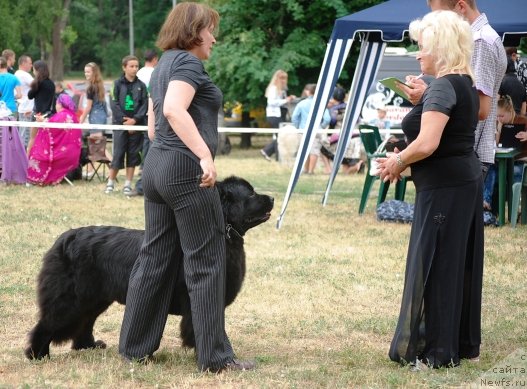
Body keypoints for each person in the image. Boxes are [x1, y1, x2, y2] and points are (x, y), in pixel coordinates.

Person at [118, 2, 255, 373]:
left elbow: (153, 121)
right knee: (207, 260)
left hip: (158, 165)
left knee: (154, 256)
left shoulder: (162, 64)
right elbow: (175, 110)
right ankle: (214, 358)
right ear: (194, 31)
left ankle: (133, 347)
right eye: (210, 29)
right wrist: (204, 156)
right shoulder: (188, 63)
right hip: (184, 169)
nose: (214, 37)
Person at [378, 10, 484, 369]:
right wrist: (425, 96)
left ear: (439, 47)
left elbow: (427, 143)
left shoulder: (443, 86)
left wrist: (398, 161)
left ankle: (438, 350)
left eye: (422, 47)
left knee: (437, 264)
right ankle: (457, 341)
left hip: (445, 186)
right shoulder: (462, 82)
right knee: (455, 262)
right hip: (460, 180)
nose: (418, 55)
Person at [401, 0, 507, 181]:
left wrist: (430, 96)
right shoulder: (480, 38)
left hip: (466, 155)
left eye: (441, 17)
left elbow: (480, 109)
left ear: (461, 7)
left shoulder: (480, 41)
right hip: (463, 156)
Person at [106, 55, 147, 195]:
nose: (135, 69)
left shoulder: (141, 85)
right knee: (118, 154)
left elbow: (144, 105)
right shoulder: (116, 84)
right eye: (132, 66)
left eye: (137, 66)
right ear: (124, 67)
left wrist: (134, 120)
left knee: (133, 155)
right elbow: (113, 103)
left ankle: (128, 184)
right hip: (120, 125)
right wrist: (125, 122)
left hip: (136, 126)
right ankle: (110, 183)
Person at [27, 94, 82, 185]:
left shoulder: (61, 115)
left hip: (61, 154)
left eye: (56, 104)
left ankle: (39, 178)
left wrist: (41, 121)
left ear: (60, 104)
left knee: (37, 154)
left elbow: (49, 128)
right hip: (73, 153)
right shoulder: (72, 116)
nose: (55, 106)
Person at [483, 95, 527, 210]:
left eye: (501, 116)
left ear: (510, 111)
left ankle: (515, 207)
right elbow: (497, 145)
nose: (499, 118)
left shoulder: (522, 121)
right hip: (504, 161)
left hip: (520, 161)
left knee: (515, 172)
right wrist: (498, 129)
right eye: (497, 116)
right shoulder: (499, 123)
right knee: (490, 168)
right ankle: (486, 202)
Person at [131, 49, 159, 197]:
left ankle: (142, 169)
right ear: (154, 59)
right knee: (150, 146)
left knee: (144, 146)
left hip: (139, 114)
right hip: (149, 114)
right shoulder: (155, 73)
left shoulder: (139, 72)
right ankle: (144, 178)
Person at [291, 83, 330, 174]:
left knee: (305, 150)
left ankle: (306, 169)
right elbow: (327, 118)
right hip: (316, 130)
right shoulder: (321, 103)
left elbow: (294, 117)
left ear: (309, 93)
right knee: (314, 150)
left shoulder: (302, 103)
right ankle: (311, 171)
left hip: (303, 130)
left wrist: (298, 127)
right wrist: (322, 126)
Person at [260, 69, 295, 161]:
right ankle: (269, 152)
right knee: (281, 136)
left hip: (280, 115)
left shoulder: (282, 90)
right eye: (282, 78)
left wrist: (288, 99)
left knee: (280, 136)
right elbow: (271, 102)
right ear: (277, 78)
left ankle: (268, 152)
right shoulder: (273, 89)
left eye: (285, 78)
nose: (284, 80)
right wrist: (285, 100)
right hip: (274, 115)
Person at [27, 60, 55, 154]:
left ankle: (28, 159)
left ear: (37, 70)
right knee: (46, 139)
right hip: (48, 114)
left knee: (33, 138)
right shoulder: (51, 83)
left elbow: (30, 95)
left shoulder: (38, 83)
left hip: (37, 114)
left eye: (34, 70)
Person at [79, 62, 108, 139]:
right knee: (98, 146)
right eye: (85, 72)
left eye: (88, 72)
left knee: (96, 146)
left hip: (95, 117)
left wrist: (81, 120)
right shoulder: (100, 86)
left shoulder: (91, 88)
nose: (86, 74)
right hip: (102, 116)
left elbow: (88, 107)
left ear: (94, 73)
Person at [15, 55, 34, 147]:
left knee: (23, 133)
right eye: (30, 63)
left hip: (22, 107)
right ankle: (24, 158)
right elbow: (37, 86)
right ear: (23, 63)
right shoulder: (24, 75)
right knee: (26, 135)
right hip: (27, 108)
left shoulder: (16, 74)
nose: (31, 65)